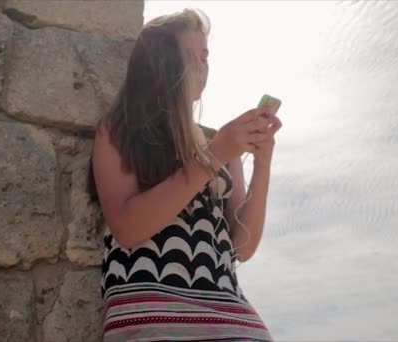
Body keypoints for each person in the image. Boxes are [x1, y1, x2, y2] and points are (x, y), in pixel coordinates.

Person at [88, 8, 282, 341]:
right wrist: (216, 155)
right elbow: (128, 228)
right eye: (189, 56)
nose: (202, 66)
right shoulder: (122, 128)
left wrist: (262, 165)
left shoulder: (215, 138)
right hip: (150, 310)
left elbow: (242, 247)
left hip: (231, 312)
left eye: (205, 56)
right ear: (160, 63)